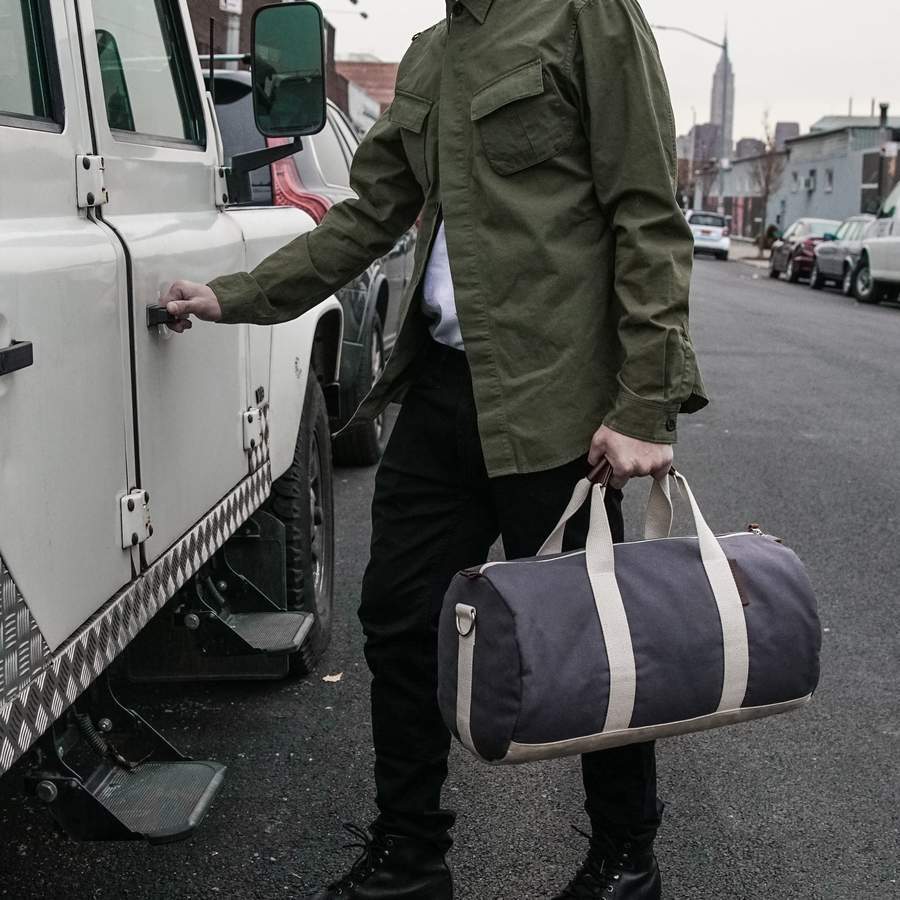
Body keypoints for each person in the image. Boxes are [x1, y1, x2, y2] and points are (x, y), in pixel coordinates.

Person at [163, 1, 707, 896]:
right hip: (444, 390)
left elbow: (647, 210)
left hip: (558, 399)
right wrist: (241, 294)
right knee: (398, 619)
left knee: (589, 639)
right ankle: (411, 854)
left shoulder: (585, 14)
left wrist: (644, 404)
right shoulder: (429, 54)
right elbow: (369, 214)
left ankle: (624, 862)